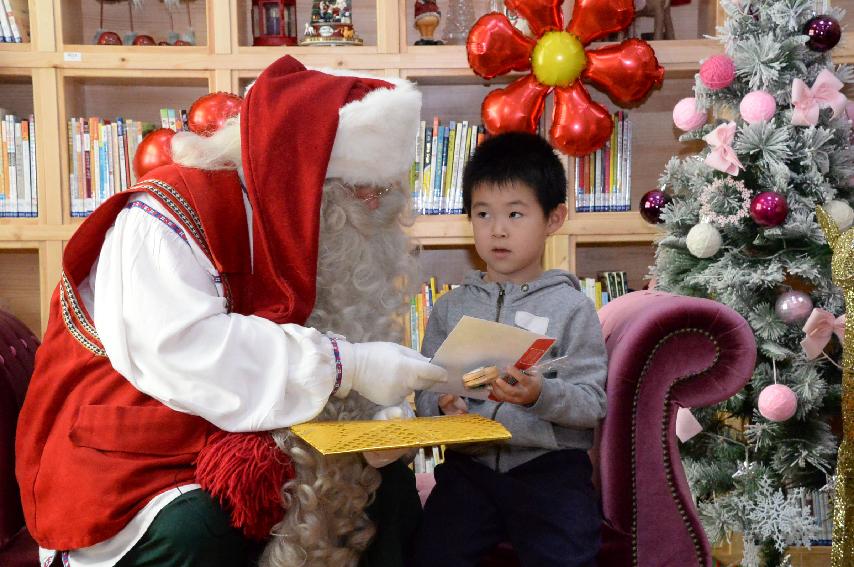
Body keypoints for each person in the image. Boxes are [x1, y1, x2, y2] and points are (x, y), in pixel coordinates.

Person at [16, 55, 445, 567]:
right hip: (140, 442)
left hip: (253, 431)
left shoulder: (319, 233)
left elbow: (331, 341)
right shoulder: (164, 213)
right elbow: (184, 350)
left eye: (386, 190)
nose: (376, 208)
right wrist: (352, 366)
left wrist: (379, 418)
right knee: (204, 525)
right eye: (360, 190)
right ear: (298, 179)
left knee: (385, 488)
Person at [414, 132, 608, 567]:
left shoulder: (572, 308)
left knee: (569, 557)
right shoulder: (449, 308)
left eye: (516, 214)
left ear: (553, 219)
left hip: (549, 469)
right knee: (430, 555)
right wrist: (441, 404)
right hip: (469, 467)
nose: (497, 229)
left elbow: (592, 404)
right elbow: (424, 391)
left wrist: (541, 395)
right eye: (483, 214)